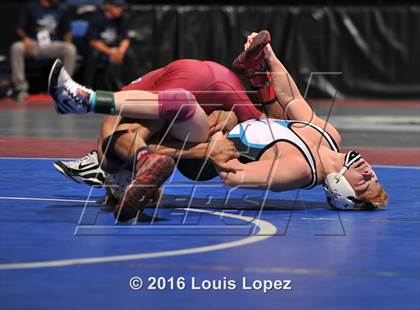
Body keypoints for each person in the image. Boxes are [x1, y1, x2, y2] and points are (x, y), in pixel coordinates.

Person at [10, 0, 76, 102]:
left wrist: (68, 42)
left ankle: (64, 89)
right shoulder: (30, 6)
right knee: (16, 47)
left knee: (70, 49)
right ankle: (20, 89)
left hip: (52, 44)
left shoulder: (62, 8)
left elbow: (67, 31)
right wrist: (25, 38)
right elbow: (20, 29)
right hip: (34, 44)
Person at [83, 0, 138, 90]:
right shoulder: (97, 18)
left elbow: (125, 38)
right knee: (93, 54)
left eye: (121, 6)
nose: (120, 9)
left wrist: (121, 51)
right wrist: (111, 52)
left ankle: (131, 87)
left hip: (115, 48)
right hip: (101, 48)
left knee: (130, 54)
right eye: (117, 6)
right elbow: (93, 41)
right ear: (108, 6)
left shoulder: (122, 18)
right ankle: (88, 86)